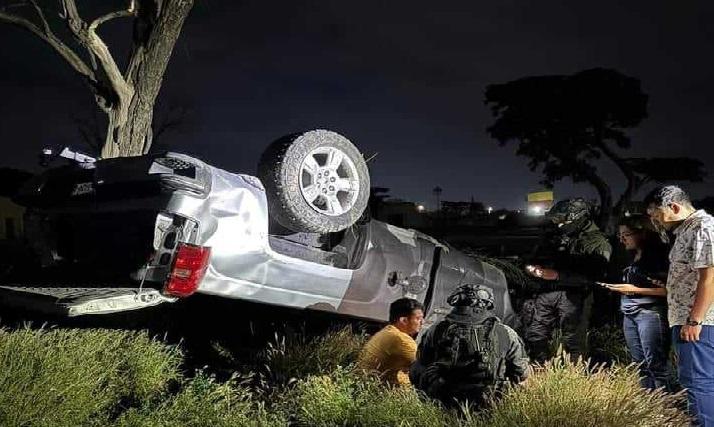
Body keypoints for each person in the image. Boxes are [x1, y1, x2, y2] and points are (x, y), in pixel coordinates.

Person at [645, 185, 714, 426]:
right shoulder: (687, 230)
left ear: (673, 207)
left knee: (698, 383)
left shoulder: (703, 227)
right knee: (697, 382)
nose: (657, 223)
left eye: (657, 216)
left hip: (697, 323)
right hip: (688, 319)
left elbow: (710, 277)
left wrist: (694, 319)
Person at [410, 284, 530, 408]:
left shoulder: (436, 330)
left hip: (443, 401)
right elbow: (521, 372)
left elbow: (420, 366)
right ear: (486, 305)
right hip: (489, 403)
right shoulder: (506, 332)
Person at [522, 198, 612, 362]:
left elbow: (595, 277)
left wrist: (558, 275)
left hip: (575, 296)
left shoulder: (598, 242)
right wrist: (533, 268)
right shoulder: (557, 236)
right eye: (557, 220)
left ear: (579, 217)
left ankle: (573, 378)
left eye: (564, 220)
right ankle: (539, 367)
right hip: (547, 291)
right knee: (535, 332)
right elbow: (533, 258)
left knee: (573, 339)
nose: (559, 224)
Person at [599, 215, 671, 390]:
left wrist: (634, 289)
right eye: (620, 235)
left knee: (656, 364)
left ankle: (668, 405)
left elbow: (669, 291)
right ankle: (648, 403)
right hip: (629, 313)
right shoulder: (629, 256)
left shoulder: (660, 257)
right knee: (639, 363)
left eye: (627, 234)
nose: (622, 239)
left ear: (643, 233)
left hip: (651, 313)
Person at [356, 298, 424, 386]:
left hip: (365, 382)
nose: (422, 322)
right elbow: (426, 368)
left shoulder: (388, 331)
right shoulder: (402, 341)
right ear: (404, 320)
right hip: (379, 390)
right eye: (418, 318)